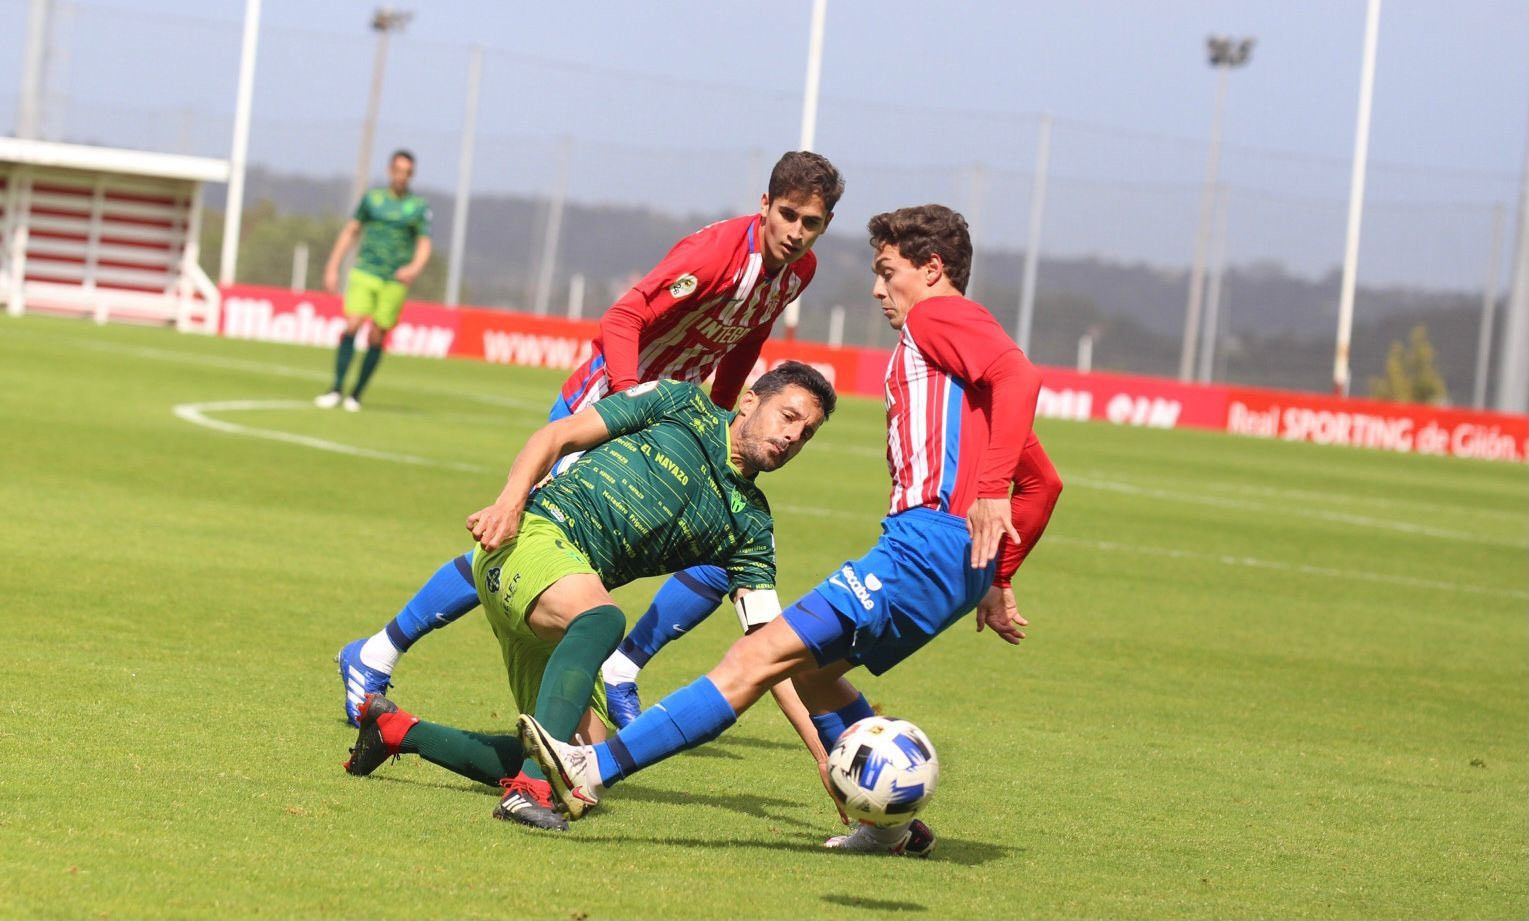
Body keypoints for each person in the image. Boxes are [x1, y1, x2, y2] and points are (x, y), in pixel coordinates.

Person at [519, 204, 1064, 856]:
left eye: (887, 272)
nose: (876, 288)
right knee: (813, 673)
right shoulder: (962, 367)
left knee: (754, 658)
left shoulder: (937, 315)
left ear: (931, 268)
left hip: (924, 544)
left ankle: (589, 769)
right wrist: (995, 576)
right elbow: (1042, 483)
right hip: (954, 561)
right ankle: (892, 826)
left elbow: (1019, 374)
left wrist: (982, 497)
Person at [336, 151, 845, 726]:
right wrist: (629, 404)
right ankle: (376, 652)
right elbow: (622, 317)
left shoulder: (799, 272)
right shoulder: (717, 253)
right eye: (788, 215)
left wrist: (719, 422)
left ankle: (622, 670)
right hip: (608, 402)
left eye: (812, 224)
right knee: (520, 542)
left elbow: (747, 340)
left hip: (674, 417)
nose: (797, 233)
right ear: (764, 205)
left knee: (718, 549)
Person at [342, 363, 839, 831]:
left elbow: (773, 649)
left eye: (808, 433)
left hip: (560, 602)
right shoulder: (680, 402)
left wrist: (823, 754)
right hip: (531, 539)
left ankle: (396, 731)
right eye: (789, 416)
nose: (793, 435)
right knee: (603, 621)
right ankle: (528, 794)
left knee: (580, 770)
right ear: (749, 402)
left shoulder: (750, 526)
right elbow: (556, 435)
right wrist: (509, 504)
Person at [315, 149, 433, 412]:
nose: (402, 176)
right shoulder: (372, 199)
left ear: (411, 175)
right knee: (353, 323)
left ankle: (356, 394)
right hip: (366, 271)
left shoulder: (417, 208)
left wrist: (413, 268)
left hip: (394, 279)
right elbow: (350, 232)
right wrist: (333, 266)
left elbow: (424, 244)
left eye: (407, 172)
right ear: (390, 170)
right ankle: (336, 388)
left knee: (378, 334)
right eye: (398, 170)